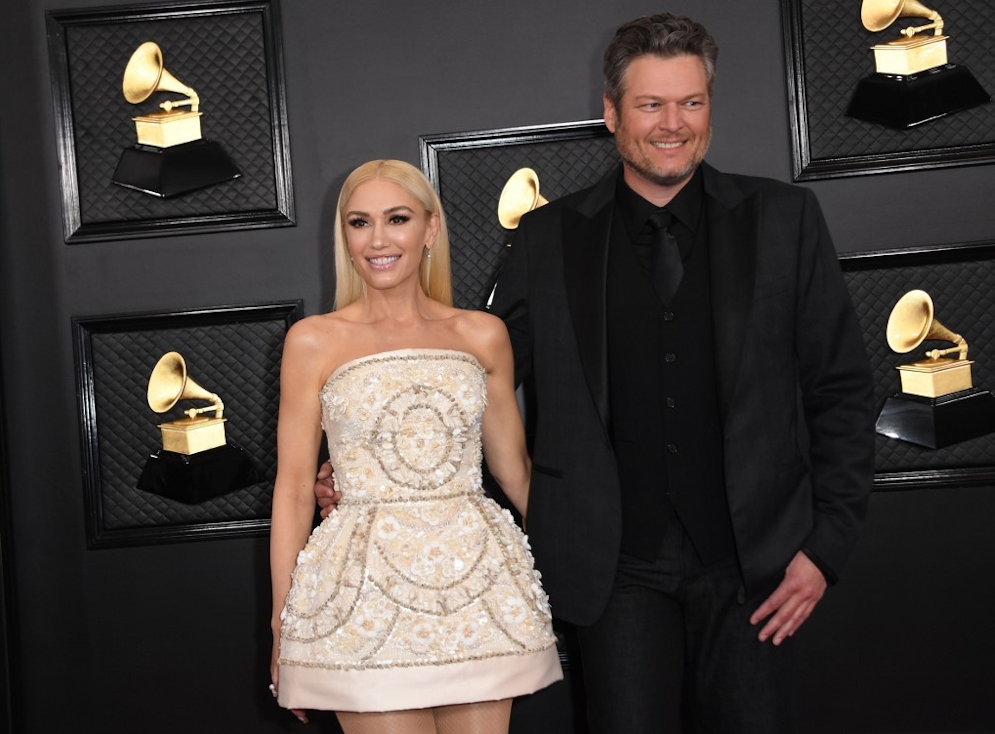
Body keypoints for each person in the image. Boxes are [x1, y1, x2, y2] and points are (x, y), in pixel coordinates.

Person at [318, 14, 874, 732]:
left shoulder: (785, 219)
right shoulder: (549, 237)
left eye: (691, 103)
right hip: (611, 572)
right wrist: (362, 465)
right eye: (650, 105)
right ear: (611, 113)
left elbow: (842, 390)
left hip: (758, 565)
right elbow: (462, 375)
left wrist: (825, 549)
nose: (672, 124)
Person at [270, 159, 562, 734]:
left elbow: (514, 474)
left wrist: (587, 565)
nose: (377, 239)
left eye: (396, 219)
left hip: (476, 586)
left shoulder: (482, 335)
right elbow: (295, 488)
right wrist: (280, 623)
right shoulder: (313, 342)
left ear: (429, 230)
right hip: (360, 595)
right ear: (345, 237)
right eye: (359, 222)